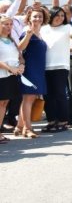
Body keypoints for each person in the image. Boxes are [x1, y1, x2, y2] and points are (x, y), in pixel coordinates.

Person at [17, 8, 49, 138]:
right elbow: (20, 47)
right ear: (29, 18)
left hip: (38, 70)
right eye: (35, 16)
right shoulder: (27, 31)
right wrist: (28, 35)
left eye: (40, 16)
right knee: (28, 98)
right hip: (30, 69)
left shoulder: (40, 33)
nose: (38, 19)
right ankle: (27, 128)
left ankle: (19, 126)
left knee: (29, 98)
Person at [41, 6, 72, 132]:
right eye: (57, 15)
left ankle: (63, 121)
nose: (60, 18)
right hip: (45, 66)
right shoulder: (43, 29)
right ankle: (51, 121)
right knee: (47, 96)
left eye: (62, 15)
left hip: (61, 66)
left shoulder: (67, 28)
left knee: (59, 94)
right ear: (51, 15)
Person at [0, 15, 24, 144]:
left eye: (10, 24)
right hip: (2, 75)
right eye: (5, 24)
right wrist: (9, 68)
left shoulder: (12, 40)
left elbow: (20, 57)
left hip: (11, 76)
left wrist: (21, 65)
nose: (9, 27)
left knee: (4, 103)